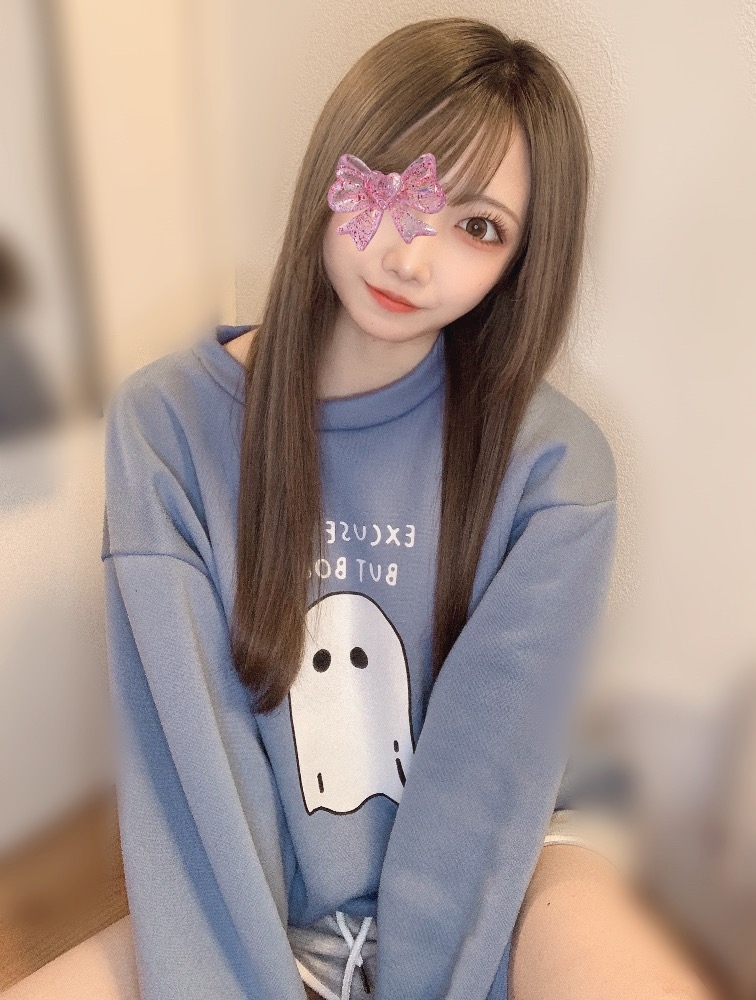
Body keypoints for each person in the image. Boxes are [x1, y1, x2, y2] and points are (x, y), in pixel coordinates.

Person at [101, 16, 714, 1000]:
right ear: (336, 166)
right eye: (397, 189)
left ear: (518, 263)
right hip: (266, 890)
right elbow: (188, 763)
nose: (411, 257)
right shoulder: (166, 428)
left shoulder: (552, 465)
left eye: (478, 228)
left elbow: (486, 779)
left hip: (517, 863)